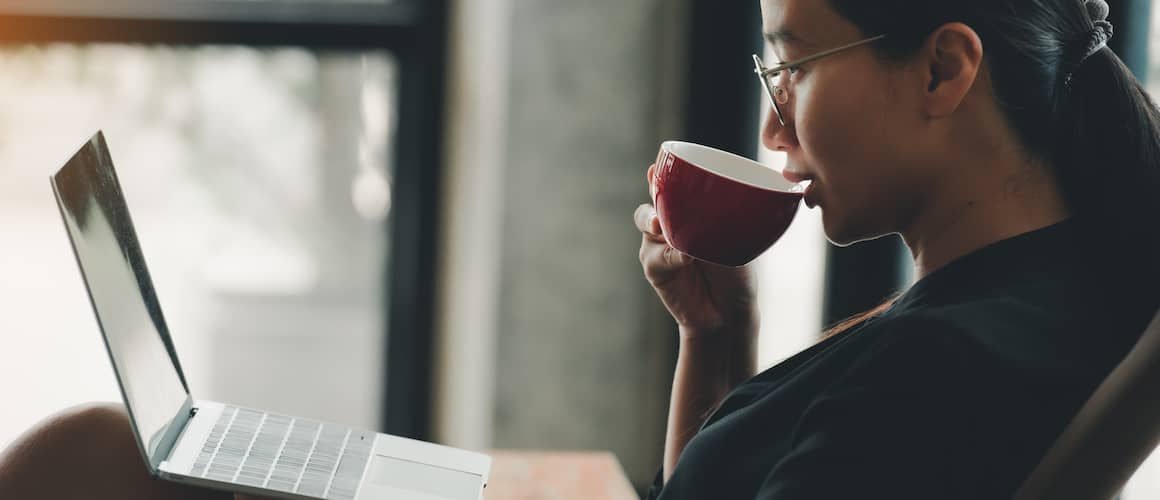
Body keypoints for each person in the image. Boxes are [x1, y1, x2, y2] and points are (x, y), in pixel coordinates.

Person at [634, 0, 1160, 498]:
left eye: (794, 67)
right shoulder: (1049, 304)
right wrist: (715, 336)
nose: (774, 130)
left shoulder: (930, 381)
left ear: (942, 70)